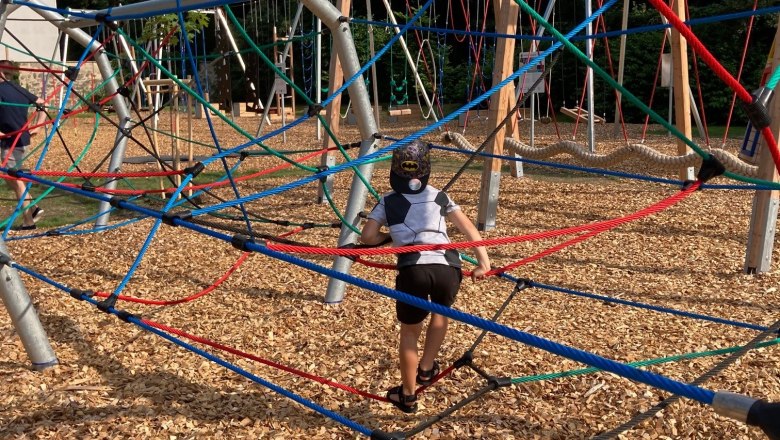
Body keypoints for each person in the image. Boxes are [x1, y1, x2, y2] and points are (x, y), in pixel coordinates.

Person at [360, 139, 491, 413]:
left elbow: (367, 236)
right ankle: (427, 369)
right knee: (440, 313)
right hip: (448, 267)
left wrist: (389, 238)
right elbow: (469, 231)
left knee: (410, 332)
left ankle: (408, 395)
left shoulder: (388, 200)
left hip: (413, 269)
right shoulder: (440, 195)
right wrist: (483, 263)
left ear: (395, 172)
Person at [0, 60, 47, 230]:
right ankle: (33, 208)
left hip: (10, 142)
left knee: (15, 180)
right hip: (22, 140)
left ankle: (29, 221)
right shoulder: (17, 88)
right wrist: (39, 126)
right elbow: (43, 102)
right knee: (11, 178)